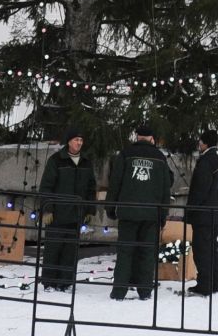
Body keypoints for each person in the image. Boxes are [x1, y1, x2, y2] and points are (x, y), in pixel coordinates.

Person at [106, 122, 173, 301]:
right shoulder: (160, 157)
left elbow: (115, 183)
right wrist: (163, 214)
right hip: (151, 215)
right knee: (147, 253)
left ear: (137, 137)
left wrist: (110, 207)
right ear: (152, 138)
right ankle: (145, 291)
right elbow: (166, 189)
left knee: (125, 252)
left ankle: (119, 291)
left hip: (128, 213)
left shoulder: (126, 154)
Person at [37, 129, 96, 291]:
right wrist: (47, 210)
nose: (79, 143)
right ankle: (49, 282)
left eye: (81, 140)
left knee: (70, 252)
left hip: (77, 215)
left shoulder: (86, 162)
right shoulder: (56, 160)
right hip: (57, 214)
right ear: (69, 141)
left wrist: (90, 210)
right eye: (77, 139)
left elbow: (91, 188)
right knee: (53, 249)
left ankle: (65, 282)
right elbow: (46, 187)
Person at [185, 130, 218, 296]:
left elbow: (199, 190)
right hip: (214, 212)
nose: (199, 144)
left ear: (206, 143)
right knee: (212, 248)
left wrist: (190, 210)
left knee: (202, 250)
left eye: (200, 141)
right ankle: (215, 282)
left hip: (203, 214)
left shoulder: (206, 162)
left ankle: (205, 285)